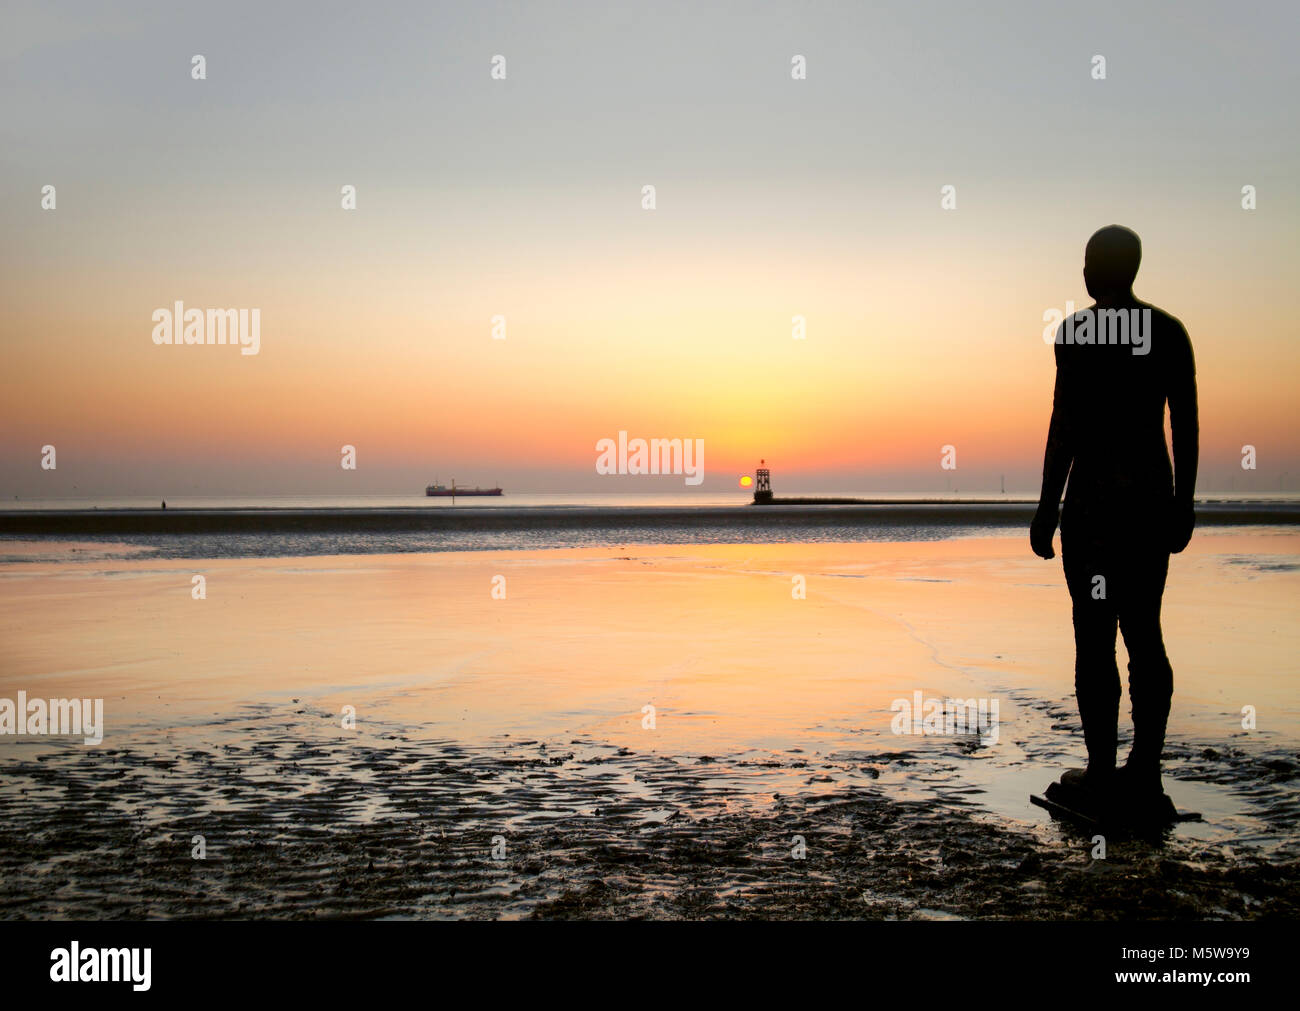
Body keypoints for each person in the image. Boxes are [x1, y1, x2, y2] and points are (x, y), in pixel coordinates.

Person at [1031, 225, 1199, 812]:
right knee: (1141, 631)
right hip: (1147, 503)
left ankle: (1114, 769)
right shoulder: (1168, 331)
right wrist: (1183, 501)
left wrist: (1047, 507)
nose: (1081, 272)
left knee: (1097, 634)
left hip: (1097, 507)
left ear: (1109, 268)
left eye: (1087, 262)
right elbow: (1188, 427)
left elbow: (1064, 428)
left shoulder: (1077, 334)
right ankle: (1136, 770)